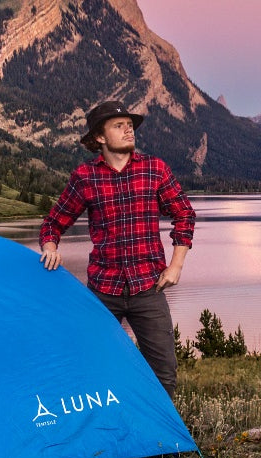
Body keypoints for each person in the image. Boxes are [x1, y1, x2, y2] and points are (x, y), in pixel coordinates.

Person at [39, 101, 196, 397]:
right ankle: (106, 435)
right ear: (100, 136)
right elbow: (53, 223)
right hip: (102, 290)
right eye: (119, 125)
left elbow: (184, 213)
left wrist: (176, 265)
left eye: (130, 125)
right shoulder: (85, 177)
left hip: (149, 287)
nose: (129, 130)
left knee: (163, 371)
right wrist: (50, 247)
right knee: (95, 366)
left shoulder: (155, 169)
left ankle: (161, 440)